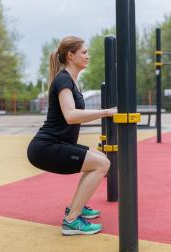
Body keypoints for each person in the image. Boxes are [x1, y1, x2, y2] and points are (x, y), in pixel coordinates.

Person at [27, 36, 116, 236]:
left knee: (101, 159)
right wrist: (106, 112)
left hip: (55, 144)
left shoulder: (71, 81)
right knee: (102, 165)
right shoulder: (64, 80)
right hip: (45, 148)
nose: (88, 56)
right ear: (70, 55)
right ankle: (71, 221)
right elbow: (71, 116)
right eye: (84, 52)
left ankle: (77, 206)